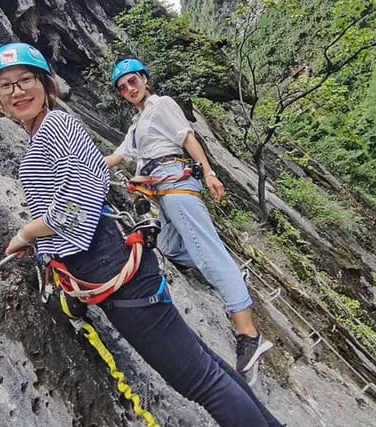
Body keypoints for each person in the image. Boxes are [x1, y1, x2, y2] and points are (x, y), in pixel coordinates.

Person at [0, 42, 282, 427]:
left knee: (200, 382)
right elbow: (94, 173)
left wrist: (28, 233)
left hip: (112, 269)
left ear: (45, 83)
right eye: (6, 85)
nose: (17, 91)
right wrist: (42, 242)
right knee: (203, 366)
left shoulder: (55, 125)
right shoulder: (52, 127)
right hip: (114, 262)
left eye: (25, 80)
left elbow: (79, 197)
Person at [104, 58, 273, 382]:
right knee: (168, 246)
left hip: (174, 181)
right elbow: (120, 156)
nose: (129, 89)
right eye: (123, 87)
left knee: (206, 254)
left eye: (133, 81)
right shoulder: (137, 127)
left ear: (144, 79)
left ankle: (249, 336)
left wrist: (209, 172)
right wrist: (86, 165)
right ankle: (232, 274)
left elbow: (188, 138)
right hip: (160, 192)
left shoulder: (162, 105)